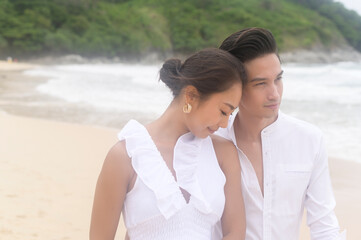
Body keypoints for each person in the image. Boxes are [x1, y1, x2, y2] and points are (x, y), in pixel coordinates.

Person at [90, 48, 246, 240]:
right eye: (223, 111)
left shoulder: (224, 153)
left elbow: (235, 233)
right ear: (190, 96)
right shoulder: (125, 156)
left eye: (231, 114)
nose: (225, 123)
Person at [215, 27, 346, 240]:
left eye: (278, 79)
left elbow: (324, 225)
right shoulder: (212, 141)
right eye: (261, 84)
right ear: (235, 87)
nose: (274, 93)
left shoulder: (309, 140)